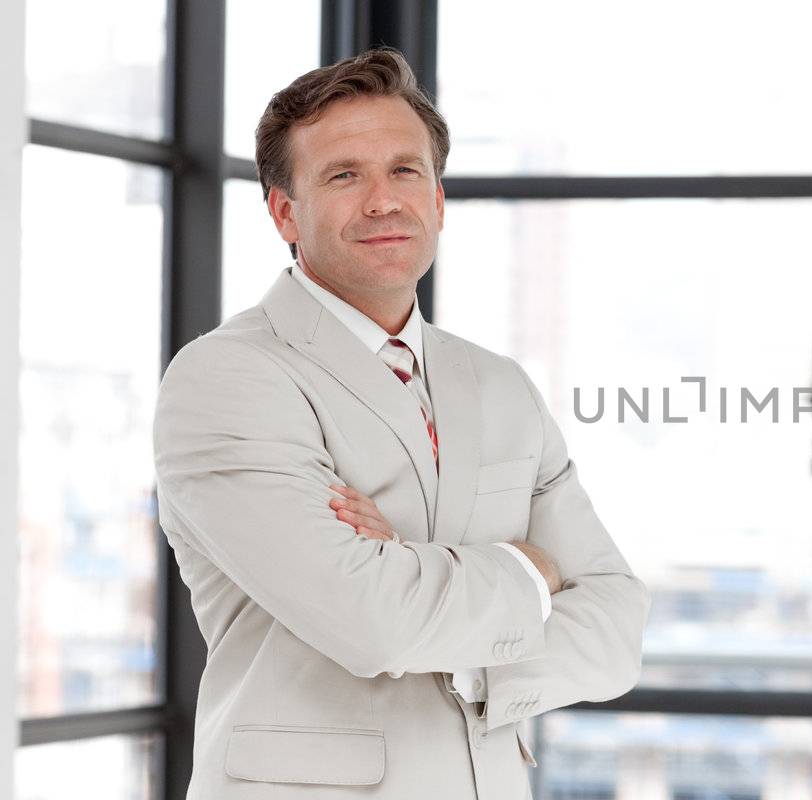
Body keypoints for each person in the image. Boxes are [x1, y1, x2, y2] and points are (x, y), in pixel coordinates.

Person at [152, 49, 649, 798]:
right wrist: (531, 570)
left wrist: (436, 607)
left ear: (440, 199)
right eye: (344, 175)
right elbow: (371, 622)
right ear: (285, 211)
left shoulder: (501, 386)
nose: (384, 201)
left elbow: (616, 631)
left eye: (405, 171)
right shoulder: (227, 379)